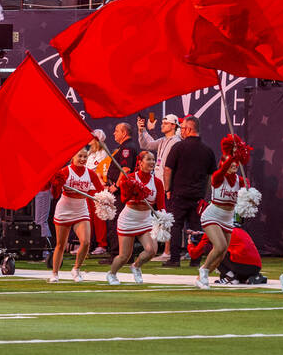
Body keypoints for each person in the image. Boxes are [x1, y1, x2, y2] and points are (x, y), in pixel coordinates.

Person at [195, 134, 251, 288]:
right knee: (219, 246)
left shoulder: (240, 180)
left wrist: (248, 193)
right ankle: (204, 271)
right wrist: (232, 155)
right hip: (212, 215)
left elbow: (247, 196)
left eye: (236, 163)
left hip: (227, 218)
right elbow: (224, 168)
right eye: (230, 163)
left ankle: (201, 275)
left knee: (222, 253)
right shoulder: (217, 177)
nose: (234, 165)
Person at [162, 116, 216, 267]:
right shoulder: (208, 150)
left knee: (176, 225)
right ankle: (195, 259)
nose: (181, 132)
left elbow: (167, 169)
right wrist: (206, 193)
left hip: (179, 193)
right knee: (195, 228)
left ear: (189, 129)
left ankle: (174, 259)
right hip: (197, 196)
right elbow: (212, 175)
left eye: (183, 129)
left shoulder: (178, 147)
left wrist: (168, 189)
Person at [47, 147, 105, 283]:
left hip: (81, 209)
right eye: (80, 156)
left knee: (86, 242)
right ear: (73, 157)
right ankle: (55, 273)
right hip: (64, 209)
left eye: (85, 157)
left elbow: (101, 192)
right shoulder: (65, 172)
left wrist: (105, 201)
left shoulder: (90, 173)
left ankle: (76, 269)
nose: (83, 159)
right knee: (61, 244)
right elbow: (55, 195)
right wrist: (56, 185)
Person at [106, 150, 165, 284]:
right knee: (124, 256)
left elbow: (161, 205)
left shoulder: (157, 182)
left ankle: (136, 266)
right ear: (140, 162)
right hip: (128, 219)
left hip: (145, 219)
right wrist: (135, 193)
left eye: (153, 159)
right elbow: (123, 198)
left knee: (151, 250)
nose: (152, 162)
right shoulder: (130, 178)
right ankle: (112, 274)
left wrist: (162, 220)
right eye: (148, 159)